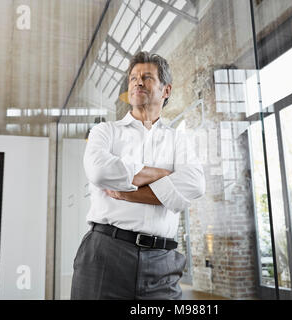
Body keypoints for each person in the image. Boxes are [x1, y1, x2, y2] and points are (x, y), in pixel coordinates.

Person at [70, 51, 206, 300]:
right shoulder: (105, 131)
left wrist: (127, 193)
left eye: (147, 77)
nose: (137, 82)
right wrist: (163, 175)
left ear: (166, 90)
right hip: (105, 254)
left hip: (163, 263)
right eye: (133, 78)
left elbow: (195, 184)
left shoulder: (178, 140)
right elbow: (99, 171)